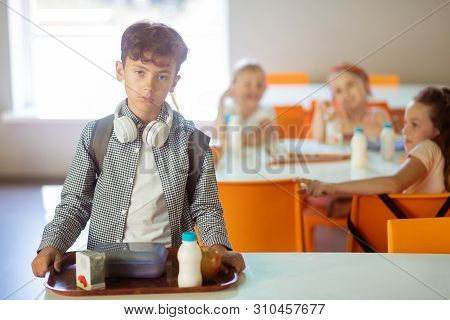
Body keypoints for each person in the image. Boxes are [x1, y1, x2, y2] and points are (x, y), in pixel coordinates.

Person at [32, 21, 245, 277]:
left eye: (162, 76)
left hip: (171, 267)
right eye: (140, 72)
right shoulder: (95, 134)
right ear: (120, 70)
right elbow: (75, 203)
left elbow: (206, 206)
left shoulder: (193, 140)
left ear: (174, 81)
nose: (149, 85)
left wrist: (218, 247)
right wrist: (52, 244)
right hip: (104, 268)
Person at [302, 86, 450, 196]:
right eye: (405, 123)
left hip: (411, 230)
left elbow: (394, 184)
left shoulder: (427, 147)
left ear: (438, 129)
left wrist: (332, 187)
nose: (405, 131)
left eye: (415, 125)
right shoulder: (440, 151)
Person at [311, 63, 392, 142]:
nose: (346, 94)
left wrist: (350, 126)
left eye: (350, 85)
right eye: (338, 91)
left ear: (366, 85)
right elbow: (319, 138)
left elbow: (385, 133)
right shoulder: (335, 115)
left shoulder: (378, 114)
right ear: (334, 98)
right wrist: (320, 111)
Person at [214, 60, 275, 160]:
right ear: (234, 88)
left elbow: (258, 139)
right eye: (248, 84)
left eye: (259, 85)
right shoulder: (231, 111)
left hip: (262, 163)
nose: (254, 89)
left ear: (264, 88)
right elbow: (218, 135)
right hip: (235, 162)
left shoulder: (266, 113)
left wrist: (230, 140)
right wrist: (221, 102)